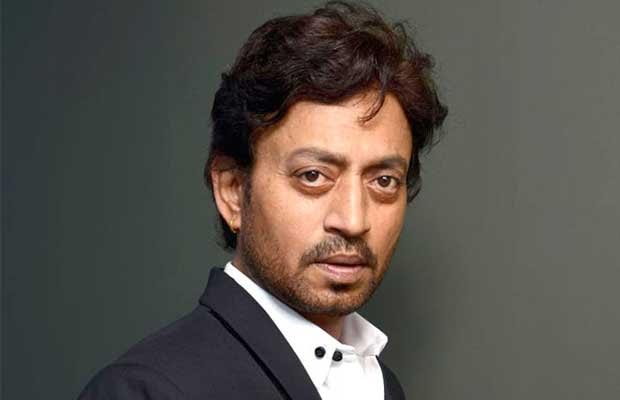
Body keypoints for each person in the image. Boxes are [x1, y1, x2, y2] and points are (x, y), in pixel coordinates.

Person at [78, 1, 447, 399]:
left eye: (384, 181)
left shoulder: (380, 386)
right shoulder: (145, 391)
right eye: (313, 176)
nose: (354, 220)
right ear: (233, 192)